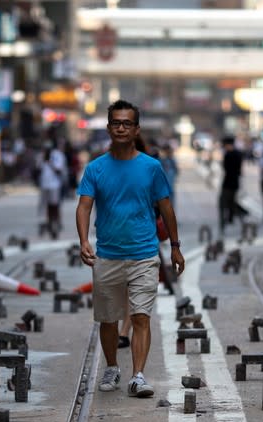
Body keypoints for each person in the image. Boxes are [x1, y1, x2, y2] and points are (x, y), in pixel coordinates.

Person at [76, 99, 184, 398]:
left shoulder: (151, 167)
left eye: (127, 123)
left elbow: (166, 208)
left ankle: (138, 375)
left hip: (144, 254)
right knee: (108, 320)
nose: (121, 128)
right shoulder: (96, 168)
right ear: (109, 128)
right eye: (116, 123)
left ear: (136, 129)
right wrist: (85, 241)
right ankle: (112, 366)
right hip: (107, 255)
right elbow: (84, 206)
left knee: (140, 317)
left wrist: (175, 247)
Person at [38, 143, 67, 238]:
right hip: (44, 184)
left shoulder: (58, 155)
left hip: (55, 184)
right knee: (47, 206)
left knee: (55, 205)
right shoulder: (41, 155)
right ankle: (50, 224)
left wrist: (50, 162)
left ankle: (57, 223)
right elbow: (38, 168)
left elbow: (59, 170)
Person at [219, 136, 243, 234]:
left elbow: (225, 168)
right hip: (235, 183)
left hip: (227, 183)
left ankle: (223, 225)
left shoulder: (228, 155)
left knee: (223, 204)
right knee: (232, 203)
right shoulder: (239, 154)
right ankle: (233, 220)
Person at [160, 143, 179, 212]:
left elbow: (176, 170)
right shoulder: (161, 160)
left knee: (170, 201)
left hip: (170, 184)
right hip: (163, 185)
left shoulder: (171, 159)